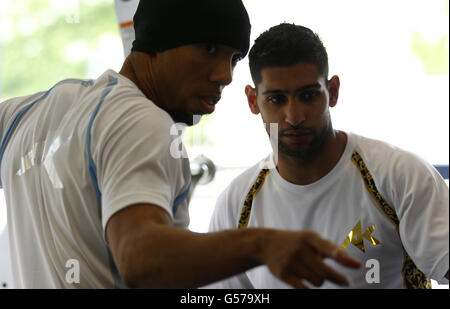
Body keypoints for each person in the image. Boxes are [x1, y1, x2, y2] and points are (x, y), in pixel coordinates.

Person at [0, 2, 361, 288]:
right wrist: (262, 245)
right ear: (158, 44)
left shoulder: (28, 112)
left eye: (234, 58)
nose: (225, 75)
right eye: (209, 48)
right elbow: (140, 257)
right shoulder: (142, 121)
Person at [204, 23, 449, 289]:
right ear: (253, 101)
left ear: (332, 92)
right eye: (276, 99)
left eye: (308, 96)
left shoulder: (400, 175)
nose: (294, 117)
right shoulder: (235, 204)